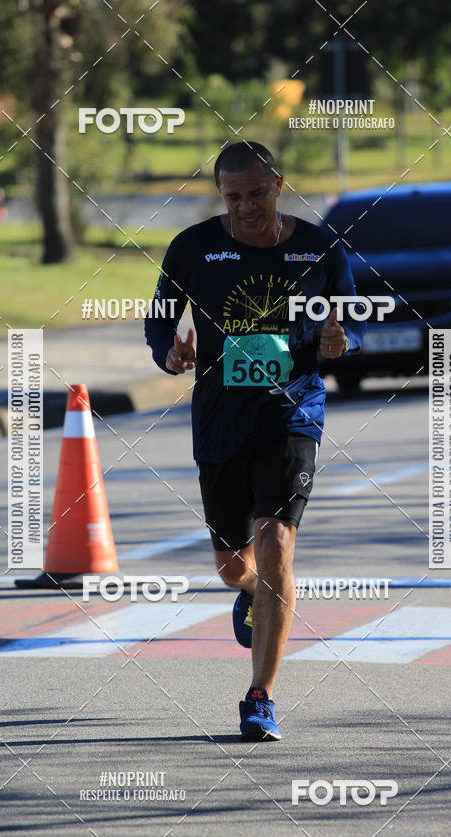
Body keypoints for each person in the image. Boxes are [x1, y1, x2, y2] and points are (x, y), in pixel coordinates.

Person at [145, 141, 365, 741]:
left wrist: (340, 343)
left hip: (292, 414)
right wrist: (170, 351)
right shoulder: (191, 248)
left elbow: (349, 323)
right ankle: (250, 594)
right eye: (232, 196)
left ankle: (260, 695)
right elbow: (159, 320)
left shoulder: (319, 248)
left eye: (256, 193)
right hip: (220, 419)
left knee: (276, 544)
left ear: (278, 184)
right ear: (222, 195)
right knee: (233, 565)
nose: (244, 206)